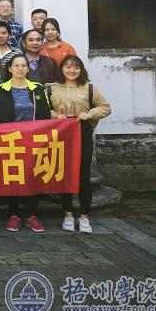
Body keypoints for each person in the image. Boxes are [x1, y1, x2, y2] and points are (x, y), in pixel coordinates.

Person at [48, 56, 111, 234]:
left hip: (81, 130)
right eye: (68, 67)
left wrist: (90, 114)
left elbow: (105, 107)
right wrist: (55, 115)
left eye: (76, 67)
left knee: (83, 174)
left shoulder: (89, 88)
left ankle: (84, 216)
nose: (72, 71)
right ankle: (68, 214)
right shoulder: (50, 88)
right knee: (64, 173)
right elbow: (43, 109)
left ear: (81, 69)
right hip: (60, 131)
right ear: (61, 69)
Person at [0, 55, 51, 233]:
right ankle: (14, 215)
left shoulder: (37, 89)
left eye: (23, 65)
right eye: (16, 65)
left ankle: (31, 215)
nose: (19, 69)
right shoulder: (1, 89)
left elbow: (46, 114)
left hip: (33, 141)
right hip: (11, 140)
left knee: (33, 176)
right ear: (10, 69)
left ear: (28, 69)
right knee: (13, 176)